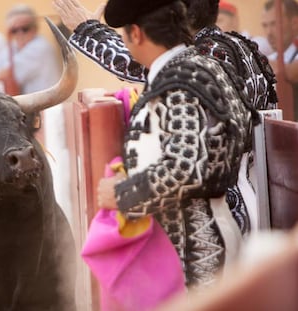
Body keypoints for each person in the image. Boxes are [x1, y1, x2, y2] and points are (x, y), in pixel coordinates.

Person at [53, 0, 275, 236]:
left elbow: (185, 167)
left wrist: (122, 195)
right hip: (250, 200)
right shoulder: (235, 47)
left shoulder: (193, 67)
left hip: (211, 226)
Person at [87, 0, 254, 289]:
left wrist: (123, 194)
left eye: (124, 35)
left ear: (136, 34)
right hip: (201, 240)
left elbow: (185, 165)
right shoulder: (199, 67)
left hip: (197, 255)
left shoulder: (179, 81)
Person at [0, 4, 60, 94]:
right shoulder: (13, 46)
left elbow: (7, 74)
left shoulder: (41, 47)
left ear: (35, 28)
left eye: (25, 29)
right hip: (31, 104)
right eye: (14, 30)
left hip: (47, 105)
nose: (20, 33)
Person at [262, 0, 298, 120]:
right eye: (265, 25)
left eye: (274, 24)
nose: (269, 32)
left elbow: (291, 73)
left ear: (294, 23)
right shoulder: (272, 59)